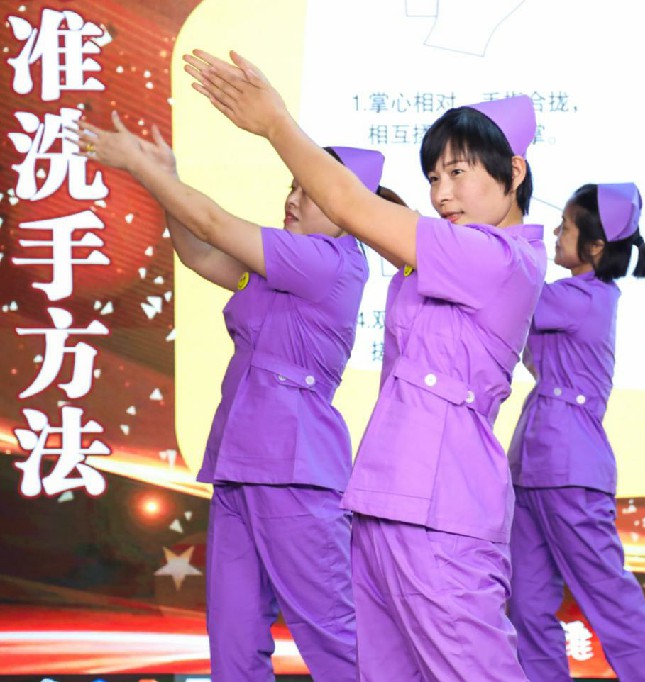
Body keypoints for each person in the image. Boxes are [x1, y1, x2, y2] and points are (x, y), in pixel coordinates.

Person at [182, 50, 546, 681]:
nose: (442, 193)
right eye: (433, 176)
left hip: (443, 510)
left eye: (458, 172)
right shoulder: (439, 256)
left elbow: (351, 206)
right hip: (380, 501)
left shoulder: (499, 258)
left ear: (513, 171)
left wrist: (275, 124)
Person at [76, 112, 403, 680]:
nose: (293, 199)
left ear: (346, 208)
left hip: (293, 470)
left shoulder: (328, 261)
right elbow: (200, 253)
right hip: (238, 465)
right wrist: (167, 178)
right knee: (233, 640)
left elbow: (211, 223)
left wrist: (141, 169)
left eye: (309, 190)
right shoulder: (283, 263)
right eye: (293, 185)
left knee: (333, 635)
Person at [507, 182, 645, 681]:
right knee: (527, 605)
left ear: (596, 246)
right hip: (532, 467)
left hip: (569, 469)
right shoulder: (574, 295)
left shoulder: (582, 298)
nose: (557, 233)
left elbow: (511, 293)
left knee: (609, 598)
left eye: (566, 226)